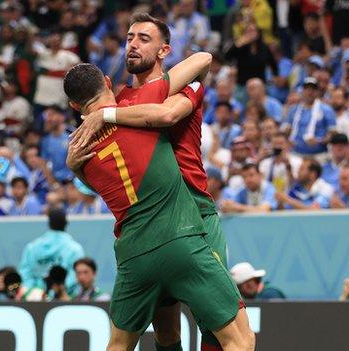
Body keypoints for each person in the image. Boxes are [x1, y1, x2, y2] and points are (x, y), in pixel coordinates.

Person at [69, 13, 252, 350]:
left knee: (215, 328)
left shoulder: (183, 86)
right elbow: (106, 180)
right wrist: (77, 166)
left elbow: (166, 114)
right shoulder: (121, 99)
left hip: (195, 214)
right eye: (129, 37)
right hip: (151, 221)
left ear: (165, 50)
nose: (133, 44)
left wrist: (102, 115)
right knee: (167, 333)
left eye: (143, 38)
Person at [17, 208, 84, 295]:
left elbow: (25, 275)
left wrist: (36, 293)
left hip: (35, 300)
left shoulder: (32, 247)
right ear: (66, 223)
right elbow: (74, 277)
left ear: (49, 224)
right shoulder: (75, 249)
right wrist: (56, 292)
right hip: (63, 299)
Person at [282, 77, 337, 158]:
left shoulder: (326, 110)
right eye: (307, 89)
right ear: (302, 91)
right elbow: (286, 130)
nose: (310, 92)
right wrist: (287, 140)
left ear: (317, 91)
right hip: (295, 153)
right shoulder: (294, 110)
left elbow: (333, 133)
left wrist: (319, 141)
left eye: (313, 89)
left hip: (319, 155)